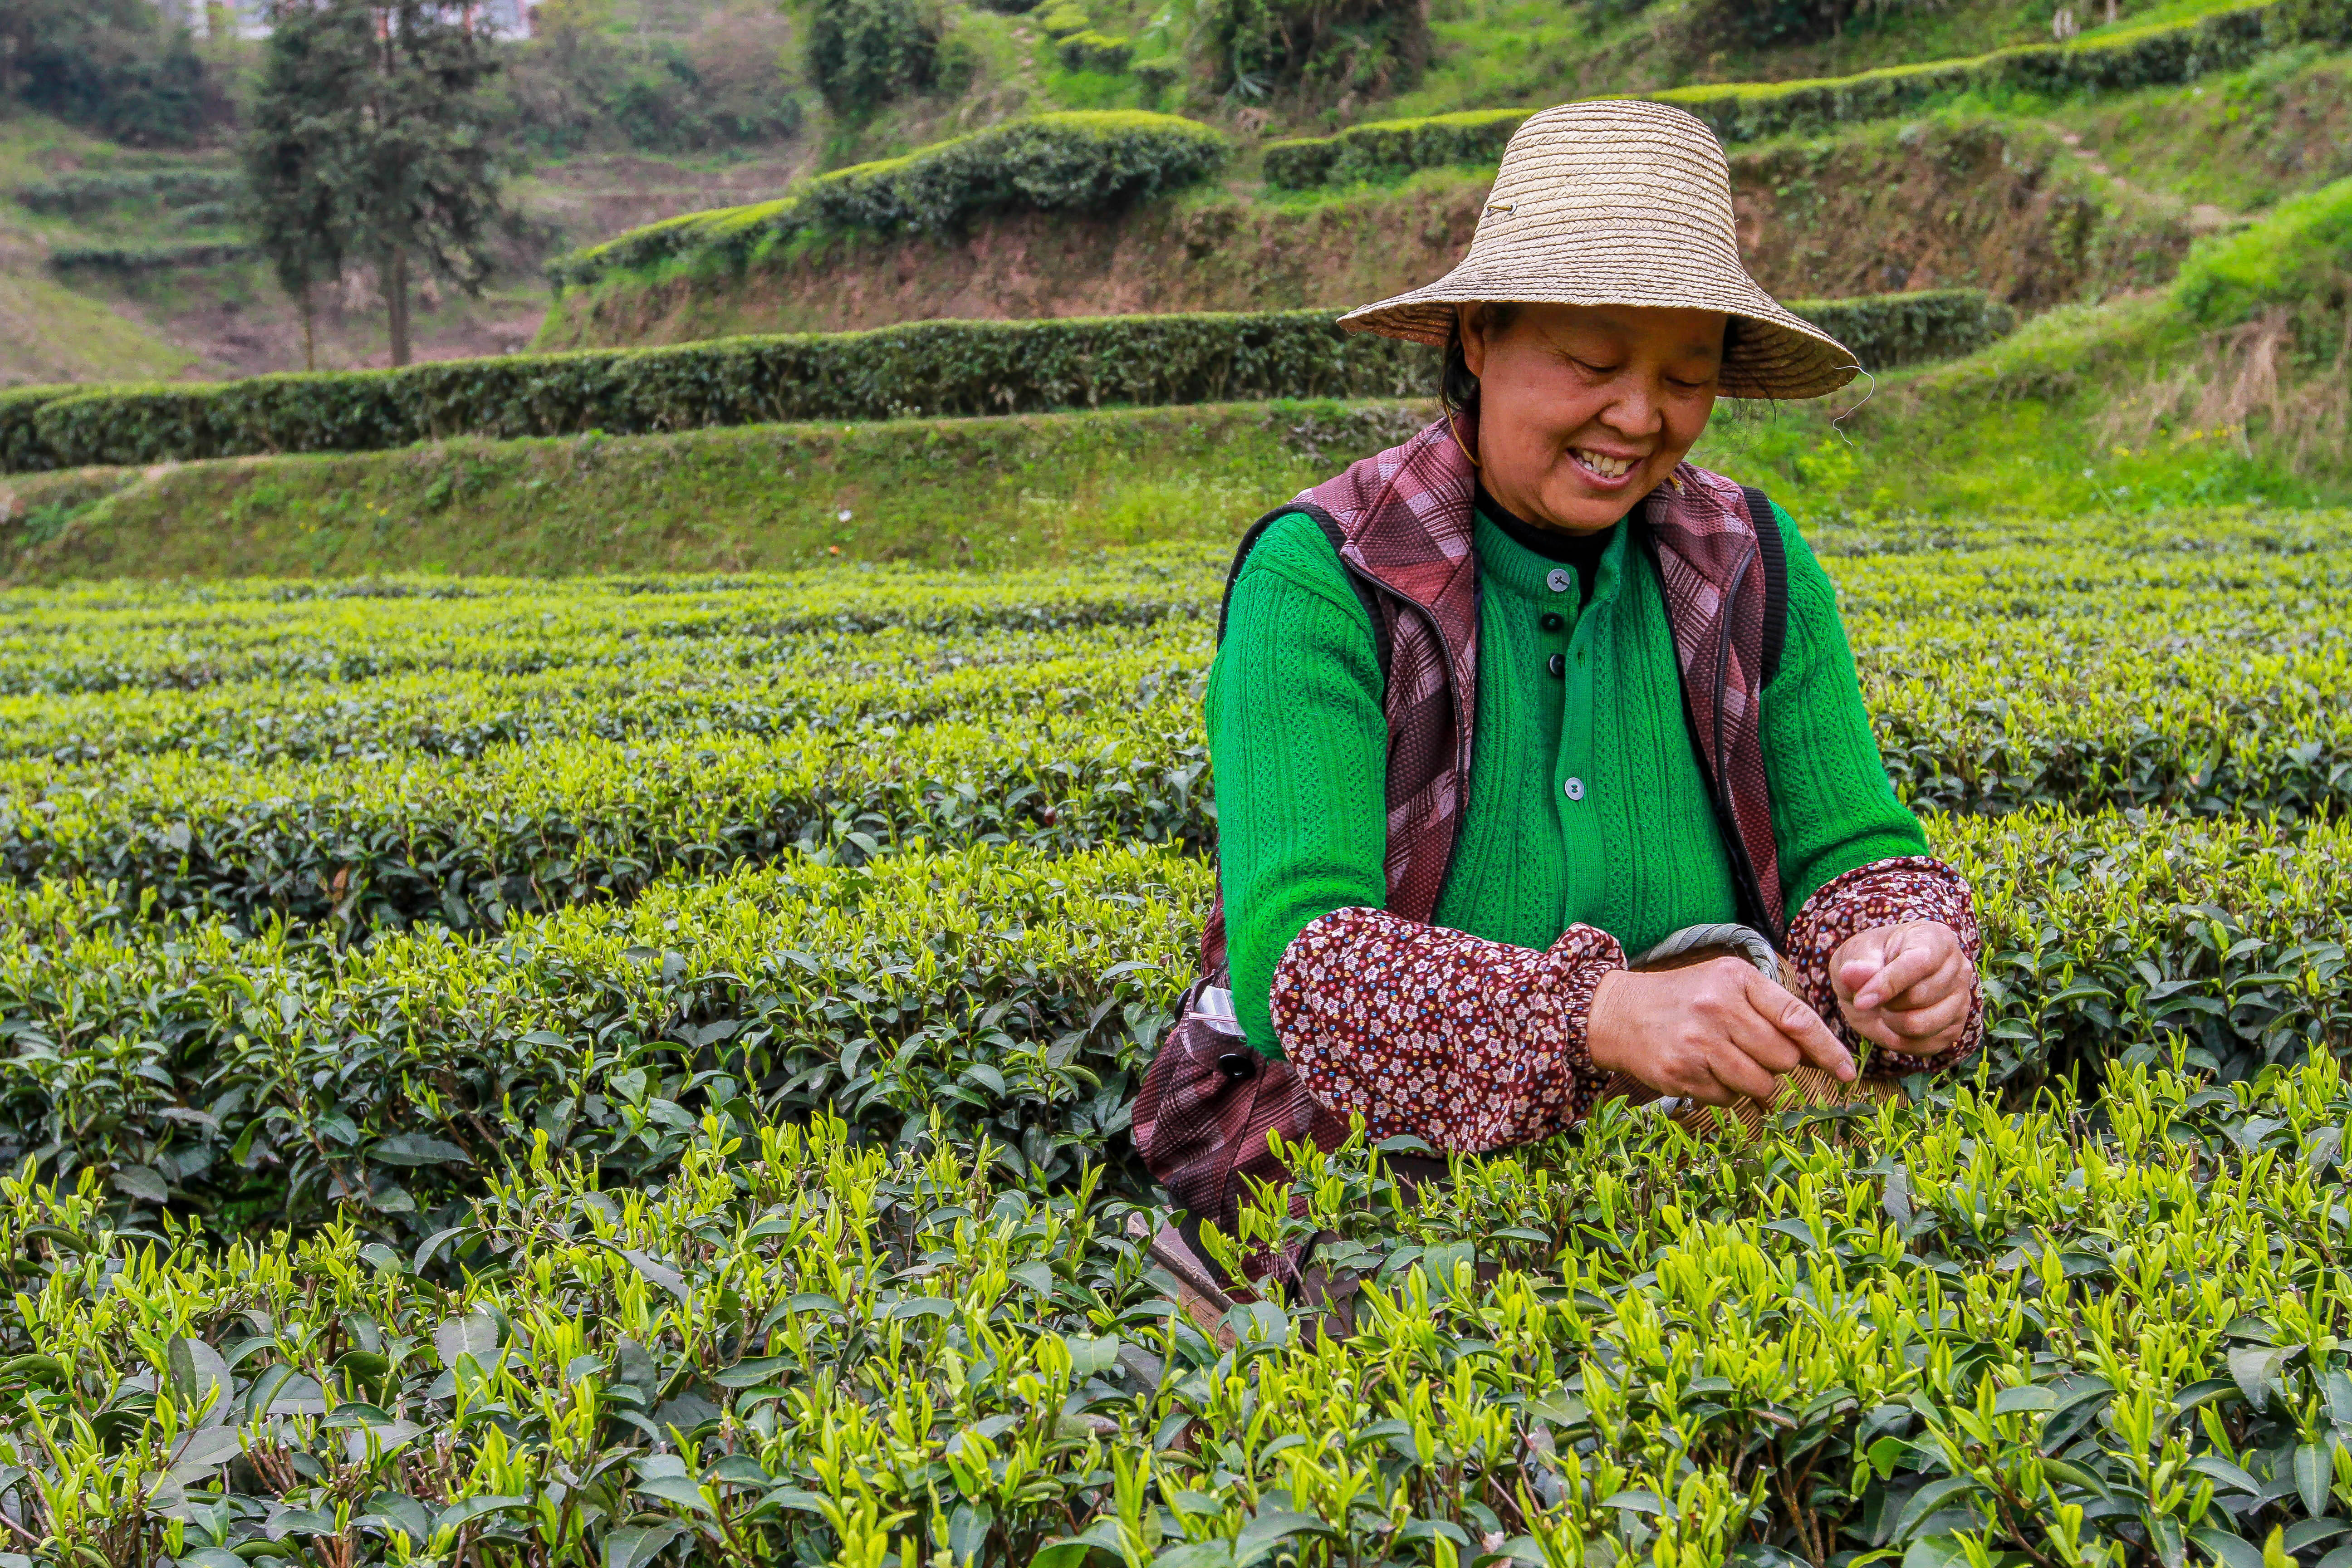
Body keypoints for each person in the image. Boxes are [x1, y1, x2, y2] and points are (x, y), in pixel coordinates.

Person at [1133, 99, 1984, 1272]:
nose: (1640, 418)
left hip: (1711, 1130)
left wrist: (1899, 948)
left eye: (1687, 377)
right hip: (1377, 1146)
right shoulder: (1326, 573)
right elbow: (1300, 959)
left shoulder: (1750, 558)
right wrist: (1593, 1013)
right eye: (1593, 363)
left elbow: (1857, 844)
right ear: (1479, 338)